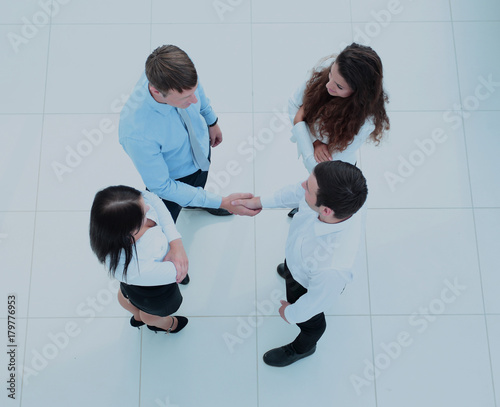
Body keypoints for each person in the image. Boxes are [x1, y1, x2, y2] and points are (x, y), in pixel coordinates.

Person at [233, 161, 368, 367]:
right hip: (298, 263)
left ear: (326, 211)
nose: (302, 185)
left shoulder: (332, 267)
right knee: (292, 269)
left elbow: (315, 302)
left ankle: (302, 348)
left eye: (308, 187)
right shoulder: (328, 197)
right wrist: (260, 201)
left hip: (308, 284)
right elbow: (296, 191)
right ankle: (291, 271)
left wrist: (290, 313)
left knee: (311, 323)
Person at [119, 44, 259, 223]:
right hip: (173, 179)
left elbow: (197, 91)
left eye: (193, 92)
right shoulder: (137, 133)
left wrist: (211, 120)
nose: (194, 101)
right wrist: (221, 202)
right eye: (185, 98)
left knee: (198, 186)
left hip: (199, 153)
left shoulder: (178, 70)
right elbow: (162, 186)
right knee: (163, 228)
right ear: (156, 91)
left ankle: (195, 201)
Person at [287, 42, 388, 217]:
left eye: (339, 87)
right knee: (311, 189)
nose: (328, 86)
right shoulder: (331, 74)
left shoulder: (365, 122)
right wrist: (315, 142)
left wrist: (299, 122)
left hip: (334, 171)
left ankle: (309, 207)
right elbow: (293, 104)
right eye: (331, 75)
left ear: (359, 93)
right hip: (319, 157)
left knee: (321, 197)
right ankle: (307, 203)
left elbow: (317, 166)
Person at [89, 186, 189, 334]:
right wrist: (178, 253)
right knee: (151, 315)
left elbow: (153, 199)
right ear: (129, 230)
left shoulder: (123, 207)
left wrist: (176, 243)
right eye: (143, 212)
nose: (148, 208)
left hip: (130, 287)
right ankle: (167, 324)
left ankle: (137, 317)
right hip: (155, 294)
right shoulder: (136, 267)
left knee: (126, 297)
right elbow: (178, 272)